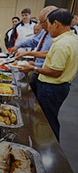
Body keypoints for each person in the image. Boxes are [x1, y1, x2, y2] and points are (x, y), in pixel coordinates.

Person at [19, 8, 78, 141]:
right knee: (49, 118)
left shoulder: (62, 44)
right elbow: (50, 54)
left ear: (56, 23)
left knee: (47, 121)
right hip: (61, 87)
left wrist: (33, 68)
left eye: (48, 24)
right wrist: (29, 55)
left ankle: (46, 145)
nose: (47, 28)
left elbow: (55, 72)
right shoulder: (72, 38)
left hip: (51, 88)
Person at [13, 6, 58, 95]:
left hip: (49, 79)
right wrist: (18, 45)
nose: (40, 25)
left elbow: (51, 56)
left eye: (42, 22)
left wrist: (35, 65)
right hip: (38, 71)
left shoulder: (58, 36)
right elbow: (34, 40)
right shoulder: (45, 31)